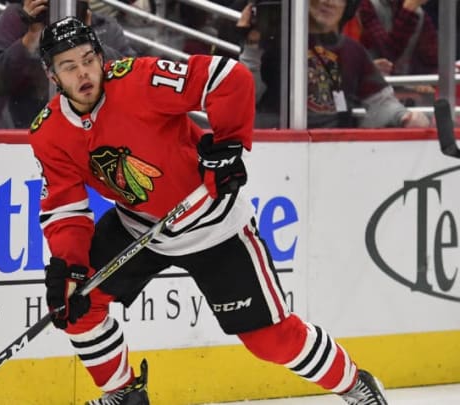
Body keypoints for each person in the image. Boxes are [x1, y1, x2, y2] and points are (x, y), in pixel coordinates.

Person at [29, 16, 389, 405]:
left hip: (212, 223)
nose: (83, 72)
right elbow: (65, 207)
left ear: (100, 56)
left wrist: (230, 145)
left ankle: (355, 384)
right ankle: (124, 395)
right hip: (139, 227)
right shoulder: (48, 132)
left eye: (88, 59)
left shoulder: (140, 80)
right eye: (69, 66)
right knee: (75, 304)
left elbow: (228, 78)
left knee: (271, 341)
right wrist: (71, 264)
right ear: (52, 75)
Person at [238, 0, 429, 128]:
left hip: (335, 148)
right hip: (277, 145)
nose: (329, 2)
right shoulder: (271, 43)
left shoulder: (353, 50)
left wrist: (403, 117)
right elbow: (246, 98)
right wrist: (253, 44)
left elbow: (380, 101)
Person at [0, 0, 135, 129]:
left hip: (92, 137)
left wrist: (88, 41)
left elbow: (130, 78)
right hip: (22, 136)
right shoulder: (15, 21)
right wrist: (30, 38)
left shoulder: (105, 27)